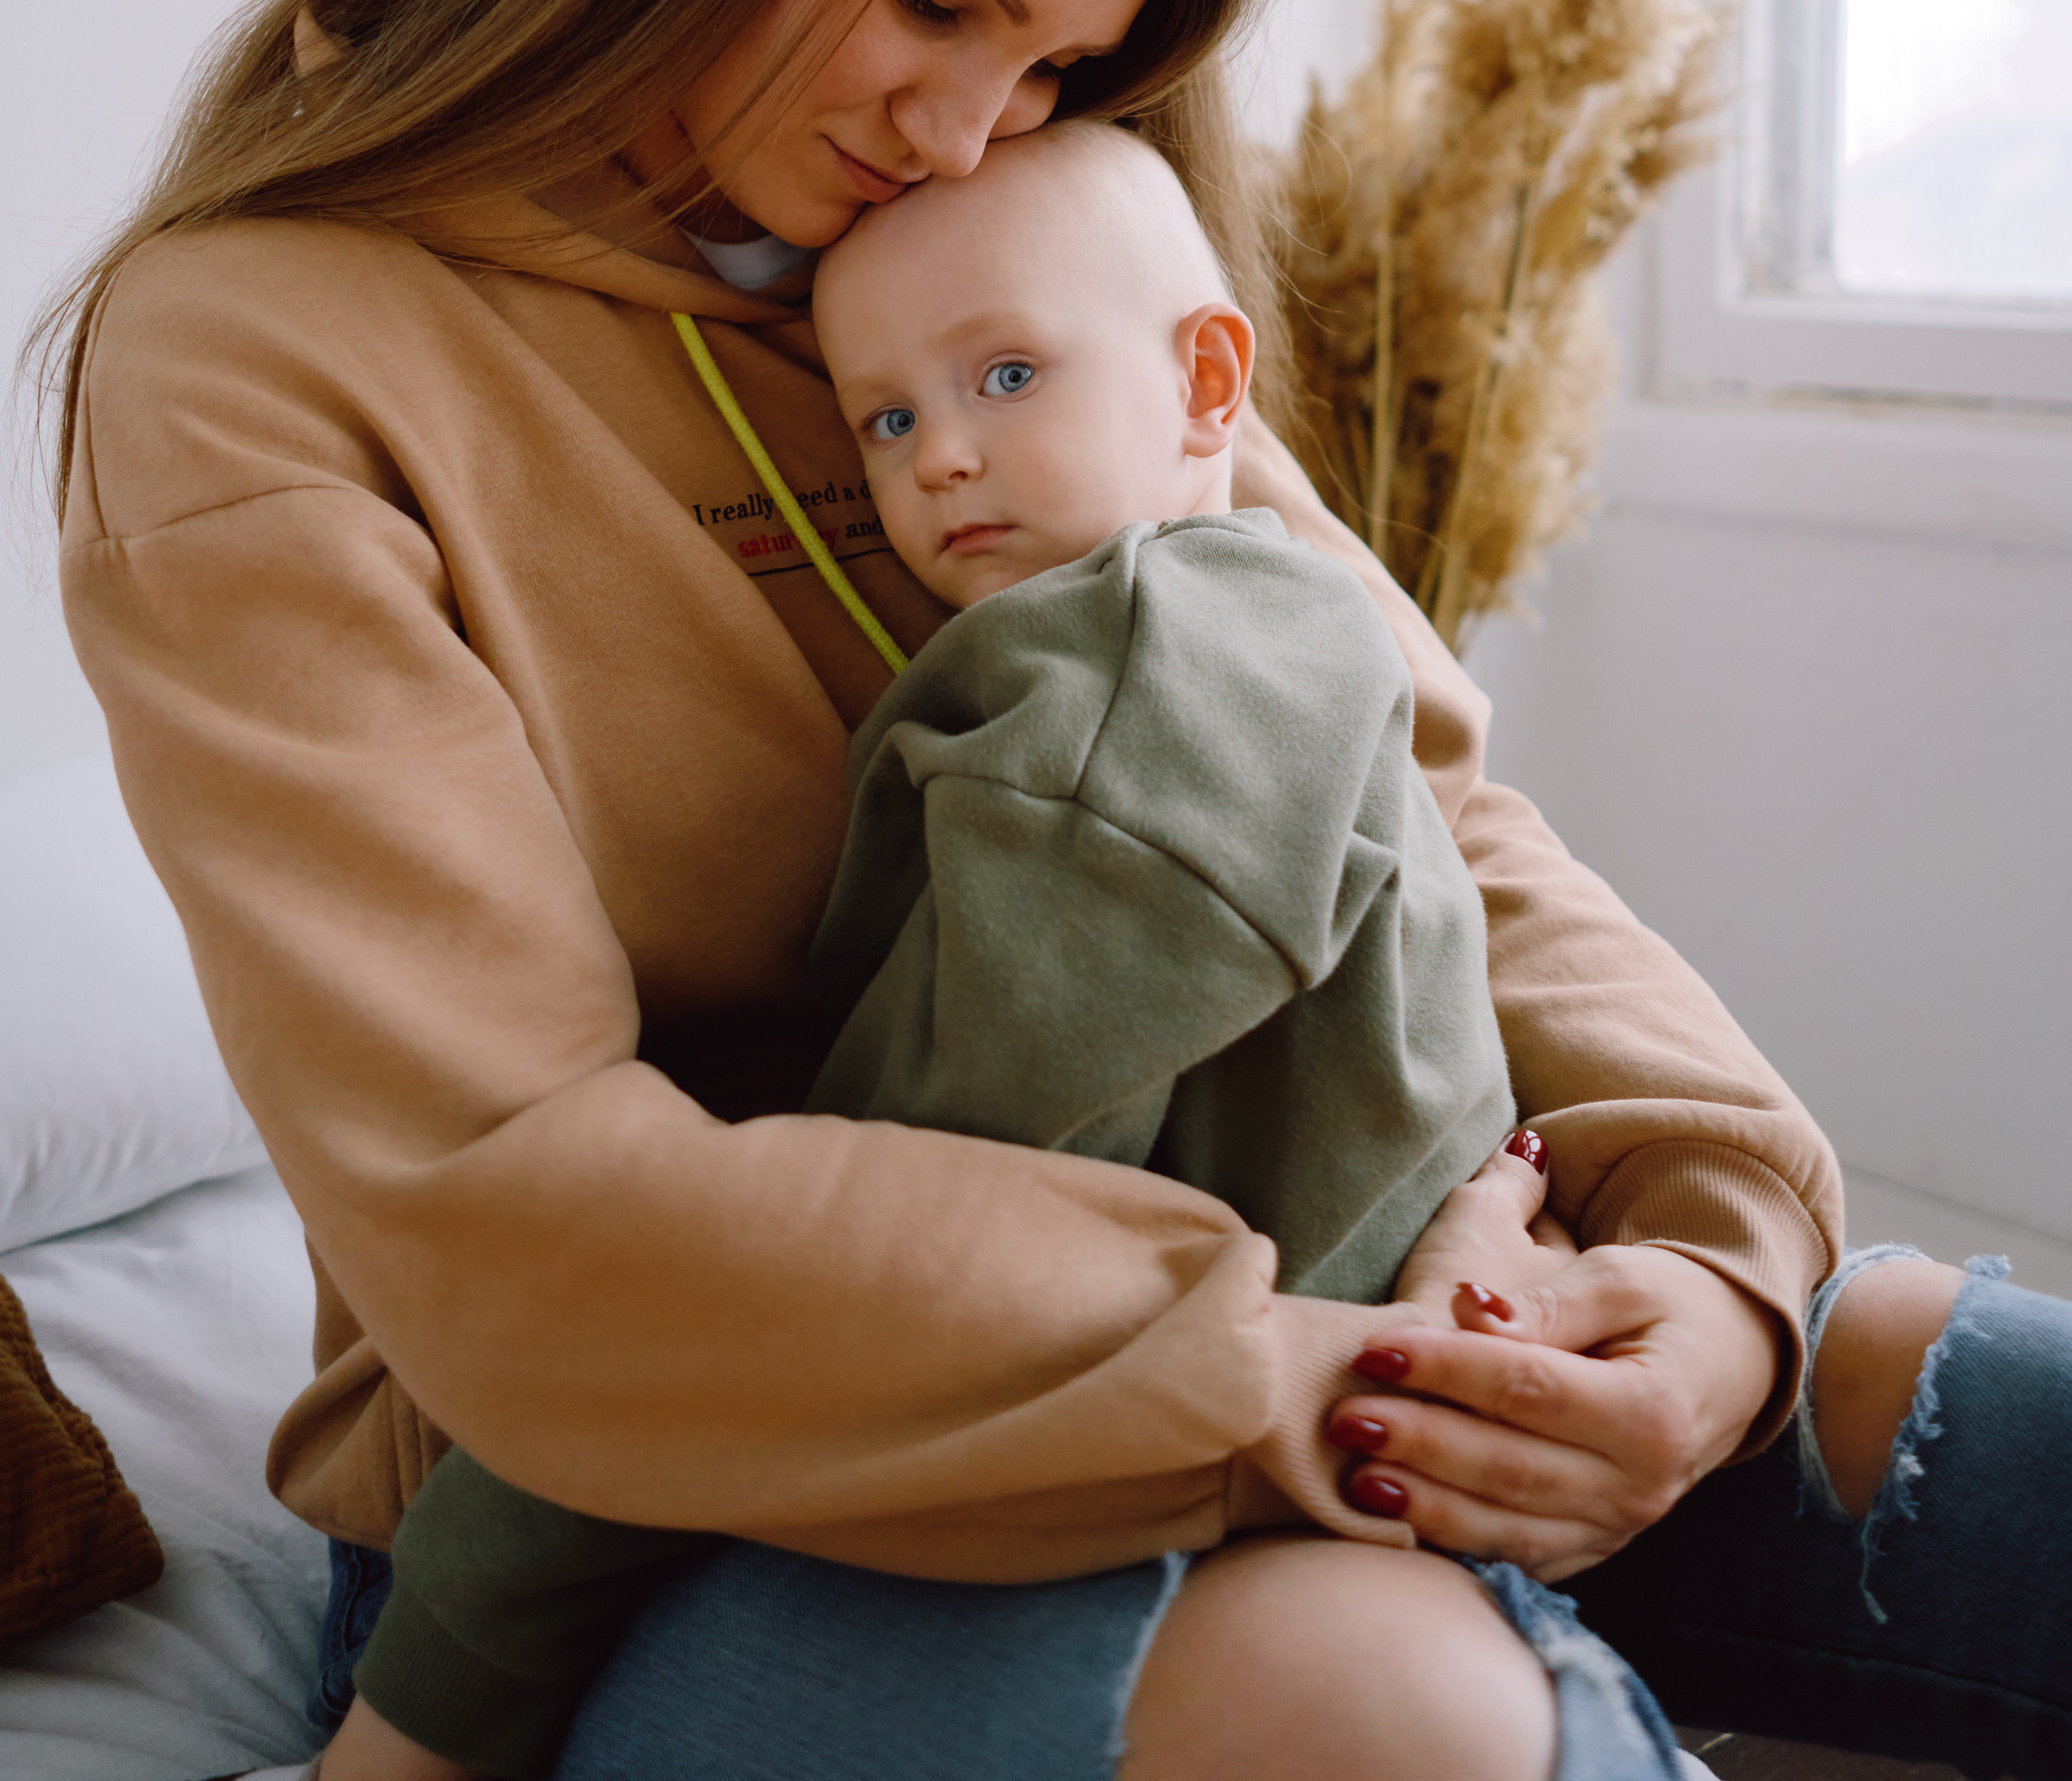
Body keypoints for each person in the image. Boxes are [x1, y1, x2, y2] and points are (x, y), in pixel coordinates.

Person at [37, 0, 2070, 1780]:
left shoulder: (1005, 243)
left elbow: (1412, 792)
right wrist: (1306, 1382)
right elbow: (521, 1205)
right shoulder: (257, 354)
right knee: (1386, 1703)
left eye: (1051, 67)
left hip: (1338, 1297)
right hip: (671, 1491)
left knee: (1963, 1400)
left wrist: (1706, 1273)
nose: (960, 125)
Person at [323, 117, 1524, 1777]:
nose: (937, 455)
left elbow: (865, 1242)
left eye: (1008, 373)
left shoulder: (1115, 708)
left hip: (1212, 1457)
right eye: (886, 415)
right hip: (1295, 1396)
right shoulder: (1275, 620)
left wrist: (427, 1695)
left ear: (1205, 383)